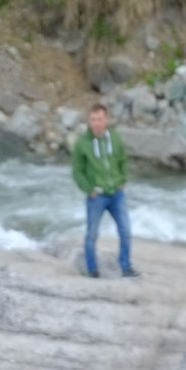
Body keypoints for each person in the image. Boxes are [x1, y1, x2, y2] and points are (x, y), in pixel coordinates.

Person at [71, 104, 137, 279]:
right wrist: (89, 189)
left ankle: (126, 267)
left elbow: (123, 159)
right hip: (97, 196)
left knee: (125, 230)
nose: (97, 123)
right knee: (92, 234)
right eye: (93, 120)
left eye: (100, 119)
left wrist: (122, 180)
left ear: (106, 119)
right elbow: (77, 171)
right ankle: (92, 270)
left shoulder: (114, 137)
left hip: (117, 193)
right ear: (89, 121)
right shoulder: (82, 143)